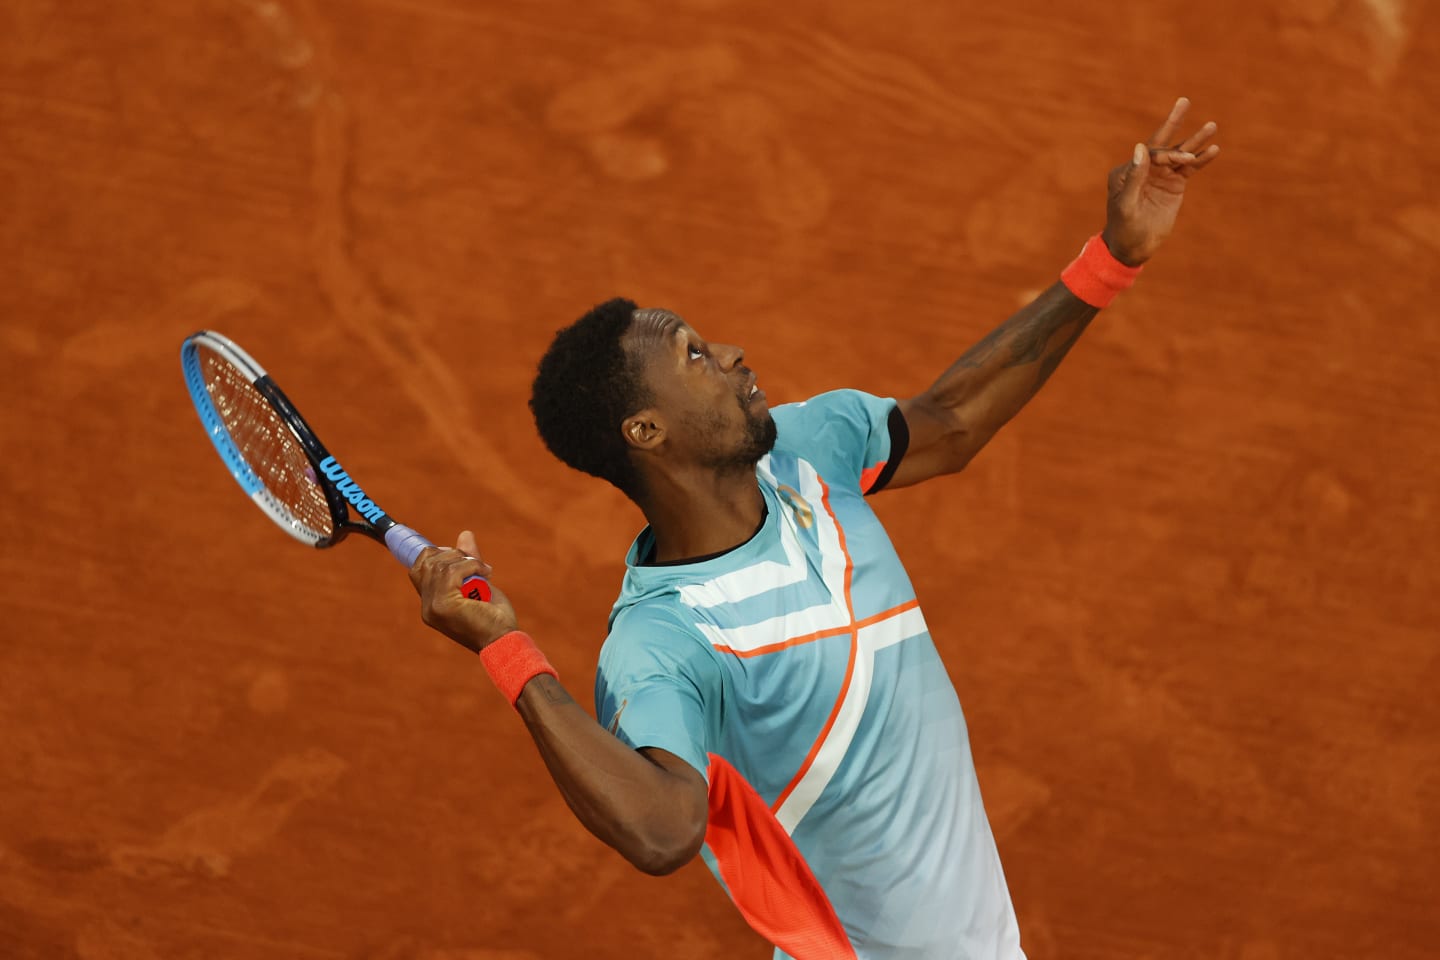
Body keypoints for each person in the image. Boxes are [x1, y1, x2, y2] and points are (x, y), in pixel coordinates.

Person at [408, 98, 1220, 959]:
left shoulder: (807, 448)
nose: (729, 354)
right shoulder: (666, 640)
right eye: (691, 355)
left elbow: (948, 423)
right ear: (647, 433)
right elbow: (661, 831)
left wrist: (1110, 262)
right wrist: (507, 650)